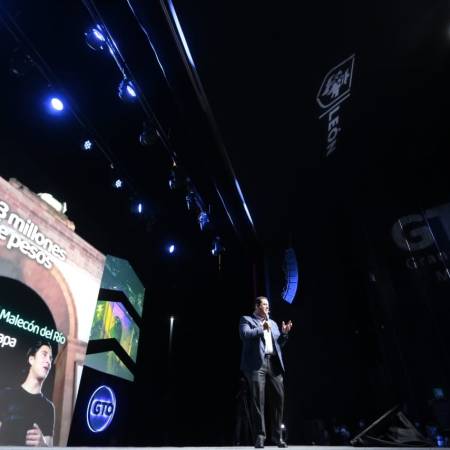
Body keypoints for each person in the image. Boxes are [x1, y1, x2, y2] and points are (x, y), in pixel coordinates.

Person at [239, 296, 293, 448]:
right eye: (264, 304)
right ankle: (260, 436)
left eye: (268, 304)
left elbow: (278, 344)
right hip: (257, 364)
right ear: (257, 306)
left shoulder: (273, 323)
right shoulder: (246, 320)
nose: (268, 307)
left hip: (274, 363)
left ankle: (277, 437)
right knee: (258, 400)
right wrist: (261, 328)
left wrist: (284, 334)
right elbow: (245, 335)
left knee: (279, 398)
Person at [0, 340, 55, 446]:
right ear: (31, 360)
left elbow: (49, 446)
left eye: (50, 358)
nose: (48, 361)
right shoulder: (5, 395)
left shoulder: (48, 407)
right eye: (44, 355)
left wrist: (42, 445)